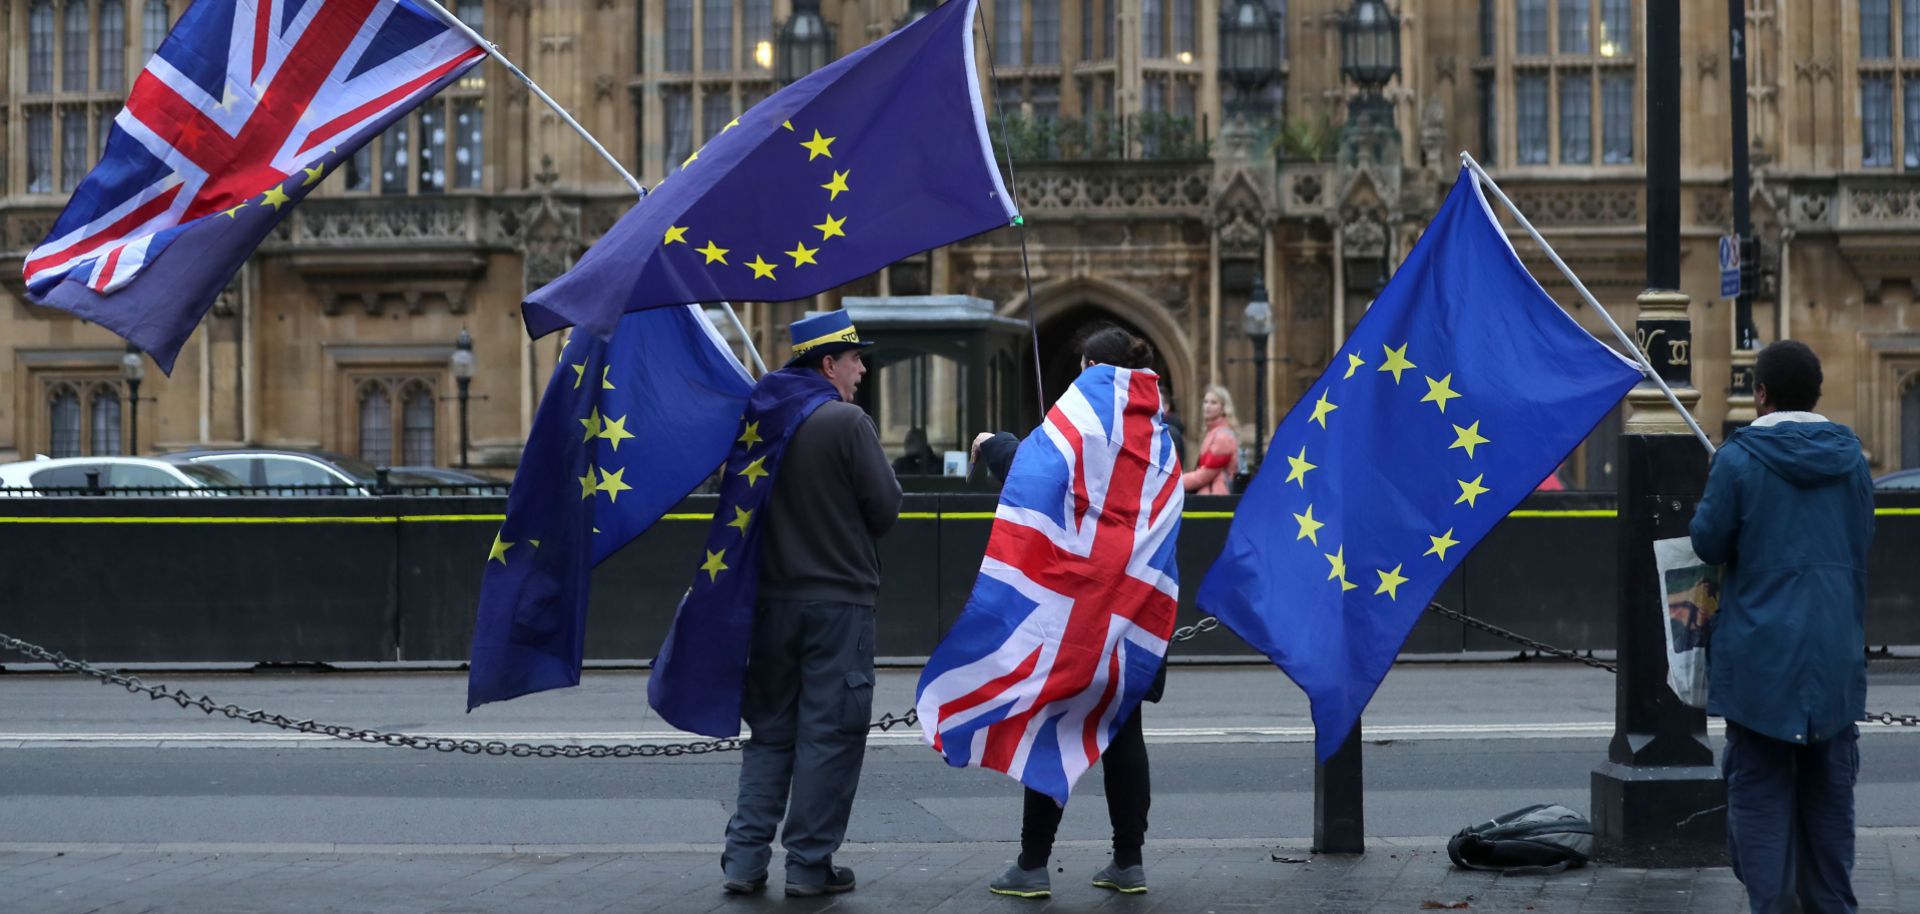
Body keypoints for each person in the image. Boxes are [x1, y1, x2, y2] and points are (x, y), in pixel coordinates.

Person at [967, 325, 1168, 899]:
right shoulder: (1159, 438)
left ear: (1093, 374)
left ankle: (1032, 864)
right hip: (1136, 613)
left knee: (1054, 727)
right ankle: (1128, 861)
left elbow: (1039, 471)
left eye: (1082, 369)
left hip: (1082, 614)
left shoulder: (1086, 430)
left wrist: (995, 444)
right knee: (1124, 730)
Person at [721, 310, 903, 898]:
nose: (862, 368)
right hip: (838, 605)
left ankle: (744, 862)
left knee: (771, 734)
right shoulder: (847, 422)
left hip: (771, 604)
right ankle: (808, 865)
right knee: (830, 734)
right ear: (828, 363)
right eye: (854, 358)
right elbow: (886, 510)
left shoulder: (763, 421)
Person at [1689, 339, 1875, 914]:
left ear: (1760, 393)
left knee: (1761, 809)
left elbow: (1707, 540)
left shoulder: (1739, 459)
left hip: (1760, 662)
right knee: (1829, 818)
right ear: (1817, 395)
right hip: (1836, 657)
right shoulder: (1854, 460)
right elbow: (1861, 538)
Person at [1181, 385, 1240, 494]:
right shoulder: (1212, 432)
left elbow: (1206, 474)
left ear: (1223, 408)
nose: (1208, 406)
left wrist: (1177, 482)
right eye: (1206, 402)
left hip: (1216, 498)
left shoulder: (1223, 437)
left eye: (1213, 403)